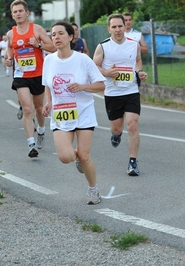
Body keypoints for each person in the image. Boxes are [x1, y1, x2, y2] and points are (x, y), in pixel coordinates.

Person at [42, 21, 105, 205]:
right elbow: (48, 84)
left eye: (60, 33)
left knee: (85, 156)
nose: (56, 37)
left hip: (83, 112)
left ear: (70, 37)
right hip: (61, 114)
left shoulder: (83, 60)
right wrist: (49, 102)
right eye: (53, 34)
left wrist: (82, 86)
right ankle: (77, 156)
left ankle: (93, 190)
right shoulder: (49, 60)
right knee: (65, 157)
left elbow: (101, 85)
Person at [93, 14, 148, 176]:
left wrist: (139, 72)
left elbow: (137, 61)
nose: (118, 30)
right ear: (109, 29)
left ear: (125, 27)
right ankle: (116, 135)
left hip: (131, 91)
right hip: (112, 93)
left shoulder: (134, 45)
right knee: (117, 128)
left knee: (132, 125)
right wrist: (106, 72)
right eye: (114, 27)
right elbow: (94, 66)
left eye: (120, 26)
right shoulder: (103, 47)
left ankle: (132, 162)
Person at [5, 0, 55, 158]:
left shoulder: (37, 29)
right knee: (27, 109)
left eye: (20, 11)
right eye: (15, 12)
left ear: (27, 13)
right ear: (12, 15)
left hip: (38, 74)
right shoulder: (11, 33)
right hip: (21, 75)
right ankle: (31, 144)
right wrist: (8, 58)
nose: (18, 14)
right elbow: (10, 47)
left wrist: (38, 45)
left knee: (39, 108)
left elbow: (53, 47)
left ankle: (41, 130)